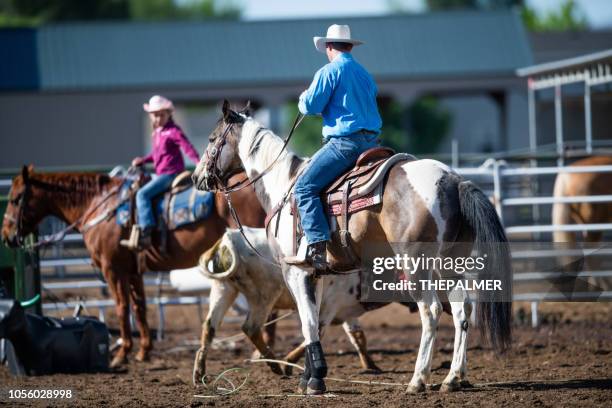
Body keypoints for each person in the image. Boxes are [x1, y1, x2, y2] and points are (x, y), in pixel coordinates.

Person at [285, 24, 382, 270]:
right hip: (372, 143)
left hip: (345, 144)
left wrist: (302, 98)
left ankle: (317, 245)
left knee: (304, 187)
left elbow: (312, 106)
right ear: (349, 46)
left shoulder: (329, 71)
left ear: (329, 47)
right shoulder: (364, 74)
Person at [120, 95, 200, 251]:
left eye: (161, 115)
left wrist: (198, 162)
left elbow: (187, 147)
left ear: (168, 114)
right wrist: (143, 160)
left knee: (142, 195)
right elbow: (157, 155)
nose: (157, 118)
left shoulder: (173, 131)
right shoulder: (157, 133)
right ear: (150, 116)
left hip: (171, 174)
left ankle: (146, 230)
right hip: (161, 173)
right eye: (154, 115)